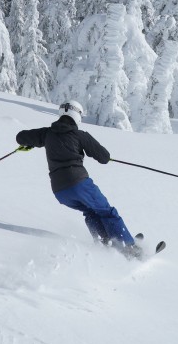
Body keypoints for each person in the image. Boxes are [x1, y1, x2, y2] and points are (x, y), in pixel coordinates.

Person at [16, 100, 141, 259]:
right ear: (77, 116)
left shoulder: (46, 133)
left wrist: (29, 143)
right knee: (106, 211)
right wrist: (104, 156)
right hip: (79, 183)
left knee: (90, 211)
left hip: (60, 191)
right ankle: (128, 248)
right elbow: (103, 157)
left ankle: (106, 244)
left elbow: (20, 137)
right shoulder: (80, 135)